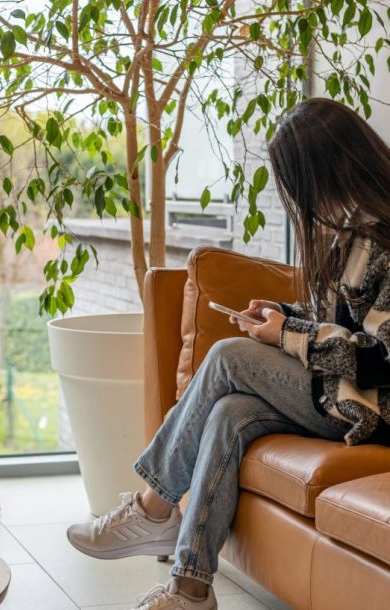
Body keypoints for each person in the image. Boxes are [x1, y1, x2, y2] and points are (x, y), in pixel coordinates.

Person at [67, 98, 390, 610]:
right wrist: (282, 314)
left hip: (371, 409)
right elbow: (340, 319)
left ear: (329, 166)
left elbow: (381, 358)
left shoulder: (385, 237)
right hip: (340, 394)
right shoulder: (352, 230)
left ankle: (153, 507)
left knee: (226, 356)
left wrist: (288, 335)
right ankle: (190, 589)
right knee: (228, 411)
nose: (302, 198)